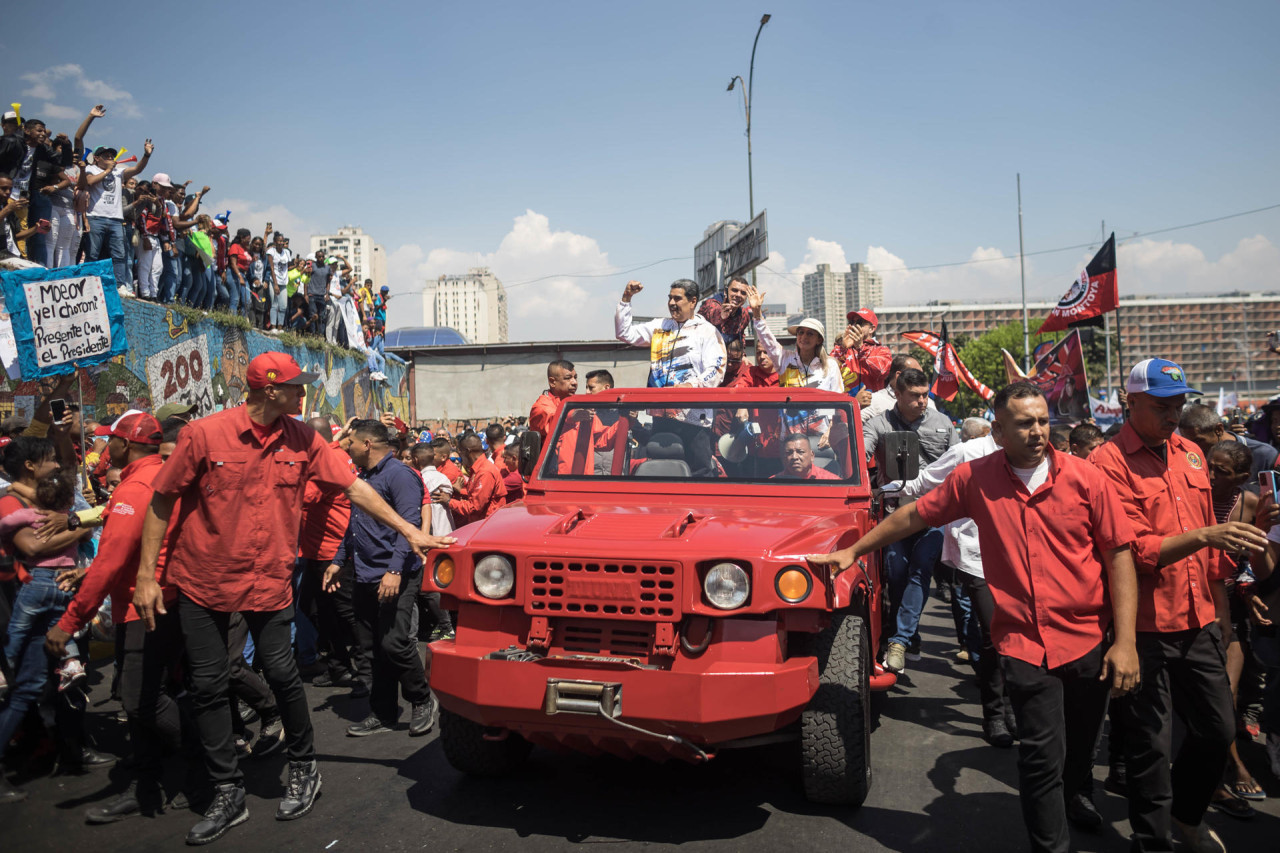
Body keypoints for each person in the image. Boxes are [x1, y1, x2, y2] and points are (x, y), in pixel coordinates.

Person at [131, 353, 454, 845]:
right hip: (203, 579)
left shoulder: (305, 439)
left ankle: (304, 767)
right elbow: (161, 499)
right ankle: (227, 789)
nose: (304, 393)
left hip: (268, 580)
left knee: (282, 673)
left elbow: (353, 489)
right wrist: (145, 576)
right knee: (208, 684)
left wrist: (410, 530)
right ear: (268, 390)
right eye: (297, 386)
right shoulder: (204, 435)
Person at [810, 381, 1142, 853]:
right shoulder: (975, 477)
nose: (1037, 432)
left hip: (1087, 640)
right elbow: (914, 517)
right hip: (1024, 644)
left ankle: (1076, 791)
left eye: (1043, 421)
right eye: (1024, 424)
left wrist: (1124, 641)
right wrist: (854, 551)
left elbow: (1119, 557)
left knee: (1081, 747)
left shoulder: (1087, 479)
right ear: (999, 430)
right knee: (1041, 756)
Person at [1090, 358, 1267, 853]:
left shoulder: (1190, 453)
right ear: (1131, 403)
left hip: (1199, 619)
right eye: (1161, 406)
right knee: (1150, 741)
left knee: (1218, 729)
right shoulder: (1106, 463)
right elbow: (1137, 550)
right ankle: (1153, 840)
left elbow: (1209, 547)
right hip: (1143, 626)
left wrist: (1224, 609)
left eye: (1179, 404)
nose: (1173, 415)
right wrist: (1208, 533)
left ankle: (1186, 817)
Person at [332, 420, 436, 738]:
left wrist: (393, 571)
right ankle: (383, 712)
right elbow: (355, 525)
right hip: (364, 575)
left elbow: (410, 524)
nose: (344, 448)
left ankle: (421, 700)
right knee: (373, 647)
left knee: (394, 642)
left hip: (397, 574)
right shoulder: (362, 478)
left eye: (349, 442)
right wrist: (338, 561)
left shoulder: (399, 475)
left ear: (367, 444)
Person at [863, 367, 958, 673]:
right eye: (915, 396)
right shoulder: (879, 424)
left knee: (920, 573)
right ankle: (908, 634)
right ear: (898, 395)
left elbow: (959, 468)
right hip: (893, 515)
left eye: (925, 395)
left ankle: (900, 640)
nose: (922, 401)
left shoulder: (944, 423)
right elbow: (862, 450)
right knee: (896, 573)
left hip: (933, 515)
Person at [615, 278, 726, 474]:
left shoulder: (708, 331)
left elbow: (717, 369)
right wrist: (626, 298)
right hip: (661, 416)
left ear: (693, 301)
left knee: (699, 474)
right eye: (670, 298)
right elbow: (624, 333)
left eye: (677, 298)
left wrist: (691, 387)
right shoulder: (661, 326)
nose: (672, 303)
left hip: (694, 419)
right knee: (663, 473)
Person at [1180, 402, 1278, 492]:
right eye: (1187, 441)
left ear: (1219, 429)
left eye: (1198, 440)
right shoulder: (1189, 456)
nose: (1192, 447)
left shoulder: (1265, 455)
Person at [438, 433, 506, 526]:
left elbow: (474, 508)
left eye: (461, 452)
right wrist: (460, 490)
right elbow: (478, 495)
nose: (460, 457)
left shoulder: (484, 472)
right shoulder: (478, 469)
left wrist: (448, 501)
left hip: (487, 526)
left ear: (467, 451)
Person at [829, 307, 893, 406]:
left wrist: (860, 348)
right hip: (846, 407)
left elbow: (881, 371)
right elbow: (828, 370)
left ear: (871, 329)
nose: (854, 325)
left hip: (873, 407)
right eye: (852, 322)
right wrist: (843, 347)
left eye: (859, 322)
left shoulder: (881, 350)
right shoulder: (844, 348)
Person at [861, 355, 937, 424]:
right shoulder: (874, 401)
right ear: (899, 375)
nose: (920, 377)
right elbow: (854, 428)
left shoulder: (928, 403)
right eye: (915, 373)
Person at [528, 360, 577, 441]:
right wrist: (572, 416)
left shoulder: (576, 404)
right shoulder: (541, 407)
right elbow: (553, 423)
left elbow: (600, 436)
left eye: (575, 377)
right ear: (552, 382)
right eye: (568, 378)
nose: (574, 382)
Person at [696, 275, 751, 344]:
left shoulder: (744, 315)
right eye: (734, 290)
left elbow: (740, 339)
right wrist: (721, 314)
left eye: (743, 293)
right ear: (725, 291)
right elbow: (712, 313)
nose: (738, 295)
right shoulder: (711, 303)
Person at [771, 433, 839, 480]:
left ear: (812, 456)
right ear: (784, 458)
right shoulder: (772, 483)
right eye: (789, 453)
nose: (794, 457)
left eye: (800, 452)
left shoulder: (832, 482)